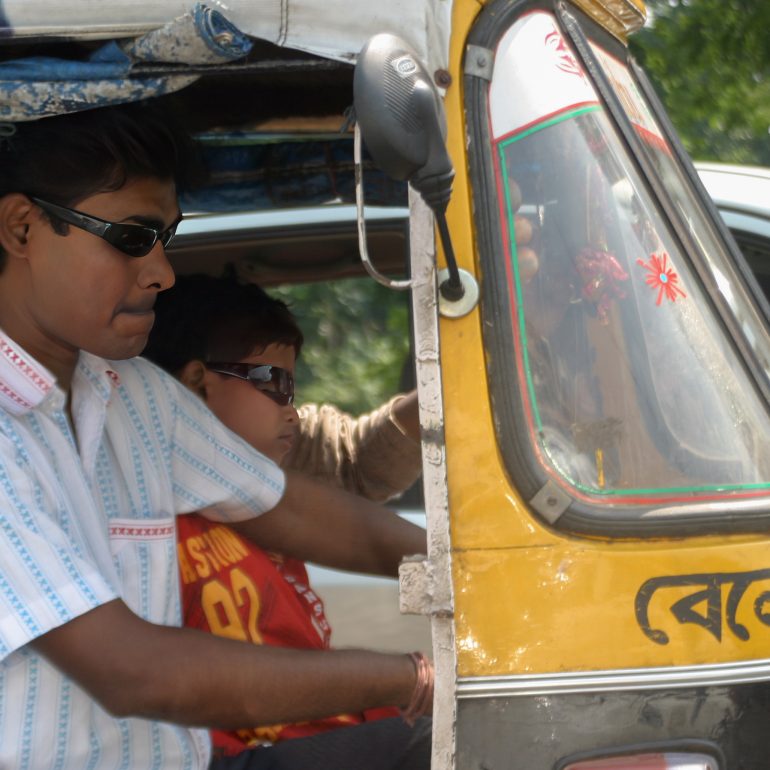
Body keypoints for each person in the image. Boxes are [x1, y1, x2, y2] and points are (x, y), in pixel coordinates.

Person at [0, 100, 431, 770]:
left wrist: (465, 570)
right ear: (23, 228)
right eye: (132, 238)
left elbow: (286, 507)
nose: (161, 272)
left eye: (164, 239)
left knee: (457, 747)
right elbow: (131, 672)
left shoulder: (134, 394)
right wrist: (412, 679)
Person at [143, 273, 426, 761]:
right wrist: (410, 679)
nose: (292, 412)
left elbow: (353, 462)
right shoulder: (138, 485)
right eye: (273, 383)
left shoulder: (268, 475)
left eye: (292, 390)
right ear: (195, 384)